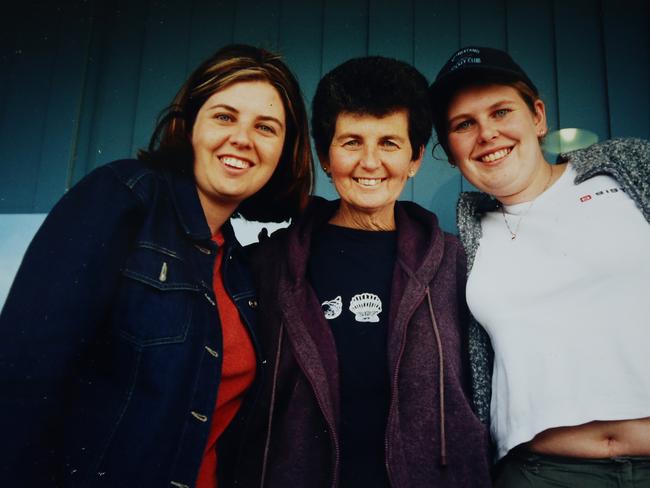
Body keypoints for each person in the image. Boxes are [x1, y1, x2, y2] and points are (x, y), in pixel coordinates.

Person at [0, 44, 313, 487]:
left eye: (266, 127)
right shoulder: (122, 198)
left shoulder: (243, 270)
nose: (242, 138)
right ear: (189, 127)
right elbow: (21, 378)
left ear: (284, 149)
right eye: (225, 116)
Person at [227, 56, 491, 487]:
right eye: (351, 142)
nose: (370, 162)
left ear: (416, 158)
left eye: (389, 143)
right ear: (325, 156)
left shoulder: (457, 263)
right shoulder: (268, 263)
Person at [429, 45, 650, 486]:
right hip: (541, 473)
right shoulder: (462, 242)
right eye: (464, 124)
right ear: (451, 151)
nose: (487, 133)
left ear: (538, 116)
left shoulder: (628, 173)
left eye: (500, 112)